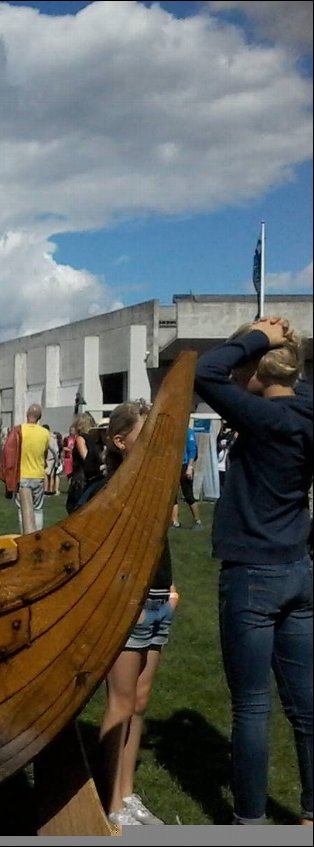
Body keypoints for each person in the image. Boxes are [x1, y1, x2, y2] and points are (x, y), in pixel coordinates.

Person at [193, 316, 312, 827]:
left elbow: (205, 373)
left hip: (253, 573)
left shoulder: (268, 419)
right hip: (298, 567)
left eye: (247, 369)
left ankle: (251, 822)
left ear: (259, 370)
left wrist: (258, 336)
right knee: (306, 708)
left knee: (252, 707)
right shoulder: (305, 411)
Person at [78, 401, 176, 827]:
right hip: (127, 606)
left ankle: (127, 793)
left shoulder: (154, 486)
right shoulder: (105, 491)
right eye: (145, 435)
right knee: (120, 702)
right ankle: (112, 802)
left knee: (139, 702)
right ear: (120, 441)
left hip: (158, 601)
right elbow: (88, 552)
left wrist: (170, 590)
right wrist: (126, 600)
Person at [0, 404, 51, 531]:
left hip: (22, 475)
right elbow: (45, 453)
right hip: (38, 475)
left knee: (23, 509)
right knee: (37, 509)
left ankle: (25, 536)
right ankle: (37, 536)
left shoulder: (18, 430)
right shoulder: (45, 433)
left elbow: (8, 452)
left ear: (27, 415)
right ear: (39, 418)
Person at [171, 425, 202, 529]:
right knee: (172, 496)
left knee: (188, 495)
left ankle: (197, 521)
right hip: (174, 466)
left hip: (185, 465)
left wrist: (190, 467)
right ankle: (175, 522)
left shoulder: (188, 432)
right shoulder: (173, 431)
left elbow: (192, 450)